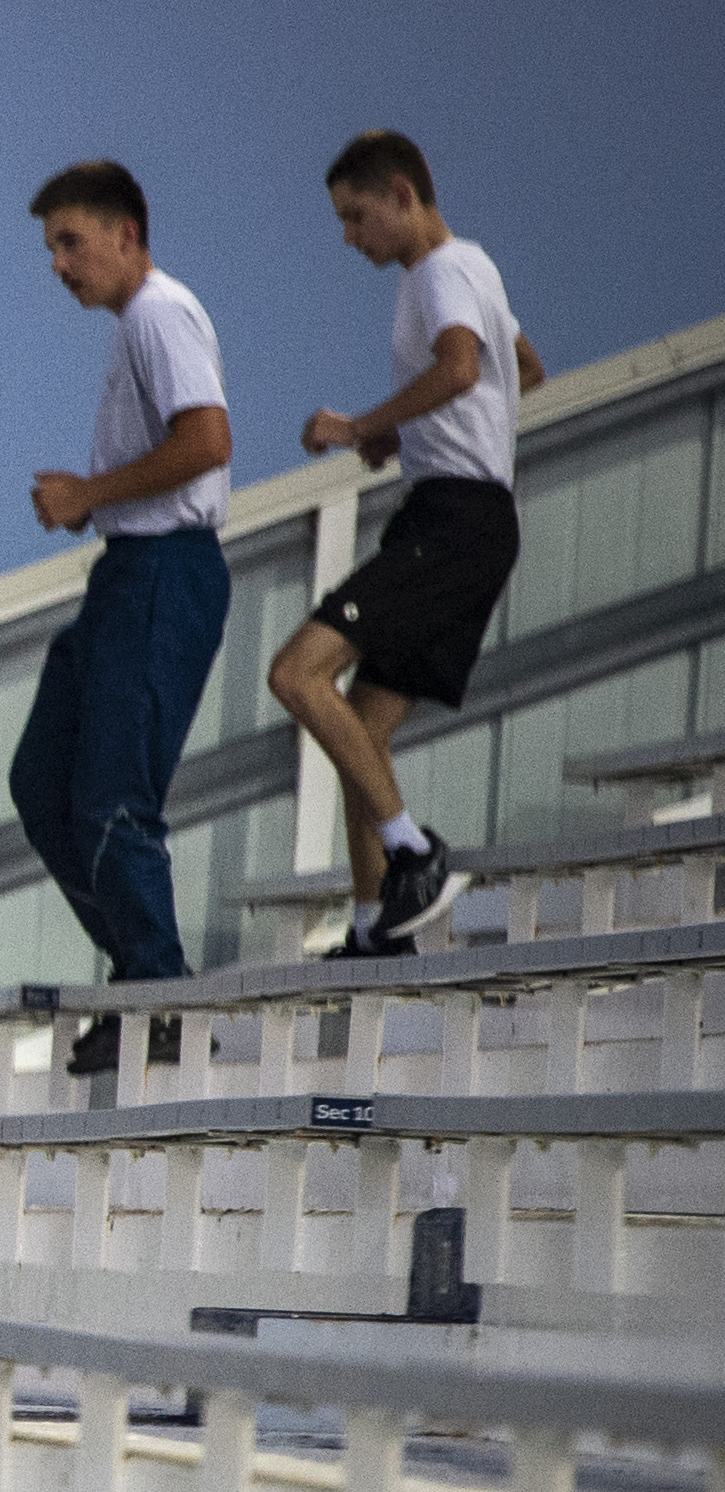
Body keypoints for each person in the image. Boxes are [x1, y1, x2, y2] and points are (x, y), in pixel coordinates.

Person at [266, 131, 548, 957]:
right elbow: (520, 367)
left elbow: (460, 368)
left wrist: (362, 425)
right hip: (467, 517)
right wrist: (412, 431)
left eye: (355, 217)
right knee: (359, 730)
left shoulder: (438, 273)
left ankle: (413, 853)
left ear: (399, 194)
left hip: (452, 519)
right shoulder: (474, 266)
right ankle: (372, 926)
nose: (348, 237)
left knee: (295, 672)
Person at [11, 161, 236, 1072]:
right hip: (126, 571)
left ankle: (157, 994)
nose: (58, 265)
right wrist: (97, 501)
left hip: (162, 569)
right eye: (51, 248)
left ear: (125, 234)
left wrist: (89, 492)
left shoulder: (158, 313)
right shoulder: (135, 325)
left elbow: (207, 439)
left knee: (112, 795)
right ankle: (146, 975)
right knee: (42, 782)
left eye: (70, 242)